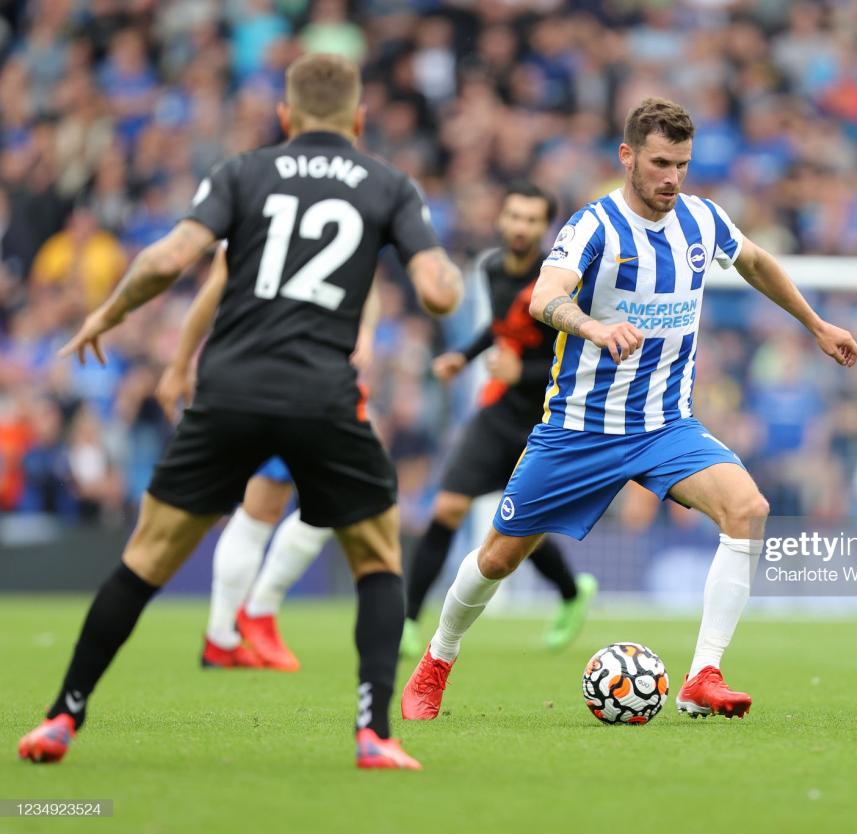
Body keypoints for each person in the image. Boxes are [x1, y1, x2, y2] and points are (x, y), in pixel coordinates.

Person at [17, 53, 462, 770]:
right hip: (322, 394)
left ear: (286, 117)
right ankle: (373, 733)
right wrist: (431, 270)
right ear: (359, 119)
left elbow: (171, 259)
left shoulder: (243, 171)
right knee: (379, 558)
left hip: (228, 390)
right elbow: (439, 293)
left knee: (146, 556)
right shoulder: (390, 185)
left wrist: (109, 310)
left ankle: (61, 717)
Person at [400, 97, 857, 722]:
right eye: (661, 163)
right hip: (579, 429)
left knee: (748, 509)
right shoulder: (595, 226)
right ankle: (437, 660)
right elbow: (545, 295)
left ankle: (703, 675)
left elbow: (753, 260)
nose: (672, 178)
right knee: (498, 558)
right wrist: (591, 326)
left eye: (683, 165)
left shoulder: (702, 219)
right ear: (628, 157)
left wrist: (814, 323)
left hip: (665, 425)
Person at [154, 245, 380, 671]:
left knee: (268, 504)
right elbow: (219, 280)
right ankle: (252, 614)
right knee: (337, 497)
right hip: (290, 373)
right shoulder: (283, 203)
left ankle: (225, 634)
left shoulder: (284, 200)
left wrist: (364, 330)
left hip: (275, 370)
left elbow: (365, 280)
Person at [402, 181, 597, 658]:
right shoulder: (490, 267)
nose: (522, 227)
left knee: (516, 528)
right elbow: (500, 327)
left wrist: (523, 372)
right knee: (447, 507)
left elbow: (572, 350)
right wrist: (463, 357)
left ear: (546, 227)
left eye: (533, 219)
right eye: (516, 216)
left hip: (545, 418)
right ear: (502, 219)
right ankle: (407, 619)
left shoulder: (560, 278)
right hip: (497, 411)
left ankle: (572, 594)